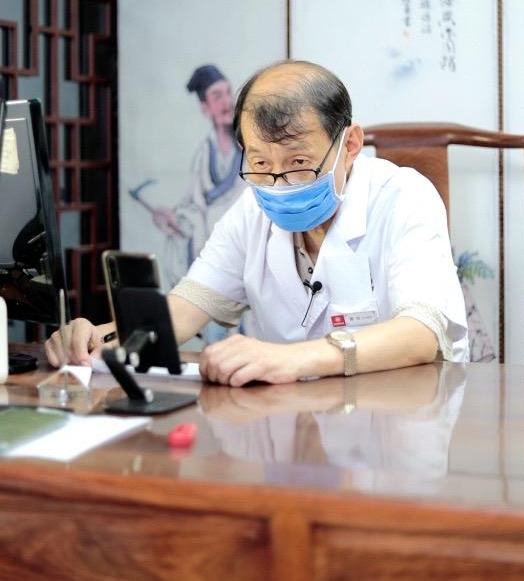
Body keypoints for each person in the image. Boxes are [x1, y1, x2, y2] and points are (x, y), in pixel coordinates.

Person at [46, 59, 468, 384]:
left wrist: (294, 358)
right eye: (261, 163)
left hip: (398, 415)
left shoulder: (403, 197)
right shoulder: (251, 211)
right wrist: (98, 338)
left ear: (351, 144)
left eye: (299, 162)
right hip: (289, 418)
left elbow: (421, 333)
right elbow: (185, 310)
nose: (279, 183)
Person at [147, 64, 244, 286]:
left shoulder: (250, 149)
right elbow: (194, 207)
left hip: (242, 256)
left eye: (228, 93)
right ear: (205, 108)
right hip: (212, 256)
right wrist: (172, 218)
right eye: (217, 96)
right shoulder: (203, 154)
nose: (227, 102)